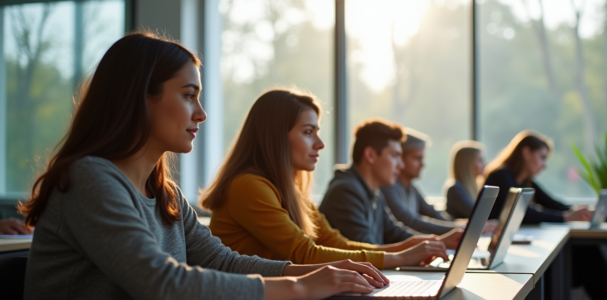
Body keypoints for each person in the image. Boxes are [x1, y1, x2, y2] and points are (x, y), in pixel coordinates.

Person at [18, 32, 390, 300]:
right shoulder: (89, 179)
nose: (202, 114)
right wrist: (300, 286)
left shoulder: (165, 194)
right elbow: (161, 284)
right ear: (140, 99)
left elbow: (222, 262)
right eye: (188, 96)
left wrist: (316, 273)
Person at [201, 90, 449, 271]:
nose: (320, 144)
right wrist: (401, 257)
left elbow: (336, 243)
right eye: (308, 132)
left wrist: (402, 249)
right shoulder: (248, 186)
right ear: (276, 137)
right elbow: (305, 254)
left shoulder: (292, 192)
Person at [483, 130, 607, 300]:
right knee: (587, 257)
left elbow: (552, 203)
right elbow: (524, 214)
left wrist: (576, 211)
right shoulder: (501, 176)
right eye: (542, 157)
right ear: (526, 152)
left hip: (521, 247)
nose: (544, 165)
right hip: (504, 252)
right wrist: (567, 217)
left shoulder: (525, 182)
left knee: (588, 251)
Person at [319, 119, 462, 249]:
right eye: (394, 156)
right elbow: (367, 252)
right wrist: (427, 247)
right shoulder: (346, 192)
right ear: (370, 155)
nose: (401, 165)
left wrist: (439, 242)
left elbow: (395, 233)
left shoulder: (373, 192)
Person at [381, 130, 490, 235]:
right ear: (401, 159)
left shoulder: (411, 188)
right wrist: (464, 228)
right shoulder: (389, 187)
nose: (423, 164)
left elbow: (432, 213)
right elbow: (412, 222)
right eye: (417, 158)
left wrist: (460, 225)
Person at [445, 140, 486, 219]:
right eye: (480, 160)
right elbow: (478, 216)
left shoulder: (470, 188)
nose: (484, 164)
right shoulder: (455, 189)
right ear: (468, 164)